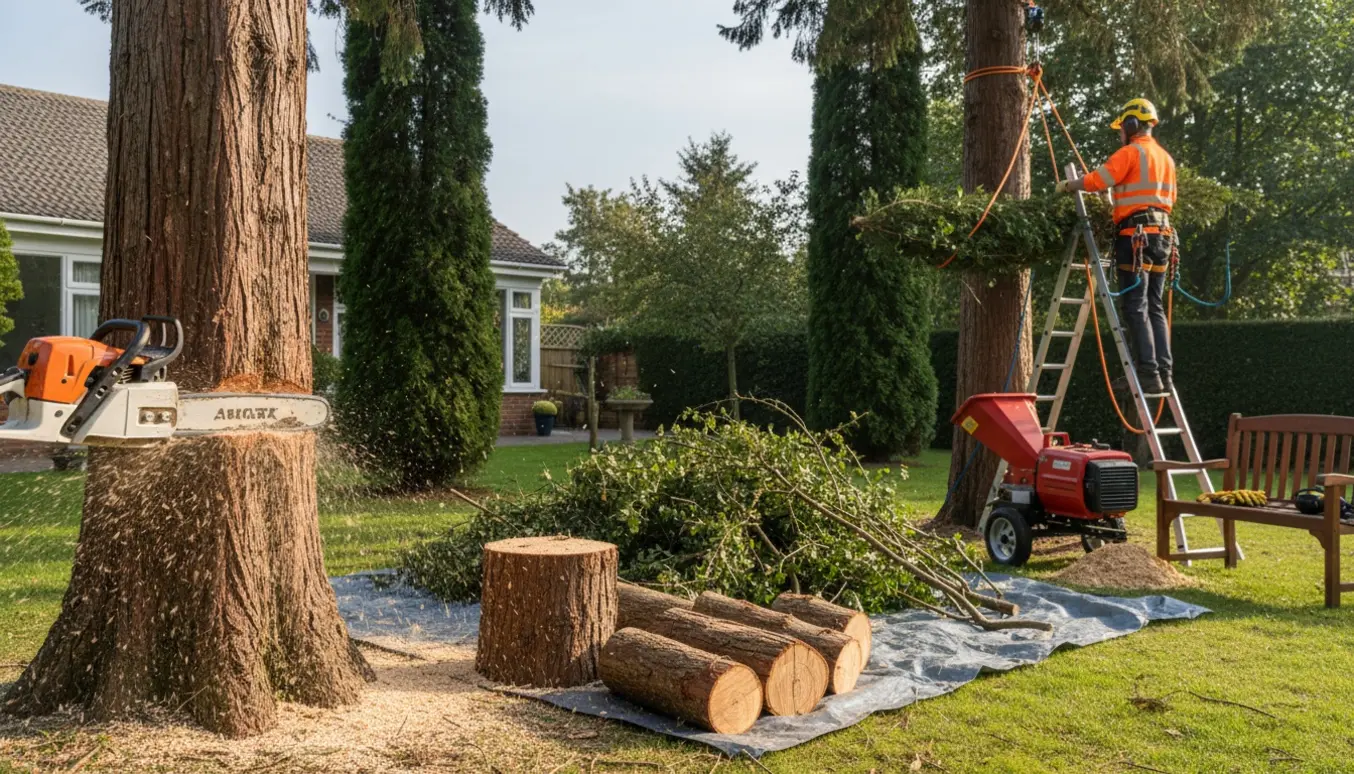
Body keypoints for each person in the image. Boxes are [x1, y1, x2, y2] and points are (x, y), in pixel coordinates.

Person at [1056, 98, 1176, 394]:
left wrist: (1069, 186)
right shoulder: (1166, 158)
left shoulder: (1131, 152)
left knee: (1136, 306)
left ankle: (1148, 374)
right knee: (1155, 306)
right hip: (1163, 236)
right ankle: (1163, 373)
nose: (1120, 132)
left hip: (1135, 237)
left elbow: (1099, 180)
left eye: (1122, 126)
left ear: (1132, 124)